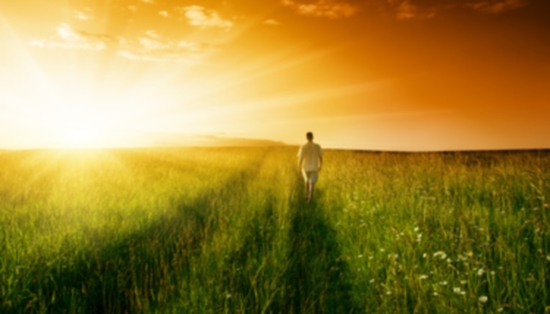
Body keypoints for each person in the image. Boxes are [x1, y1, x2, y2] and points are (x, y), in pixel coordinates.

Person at [297, 132, 323, 202]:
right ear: (313, 137)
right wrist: (320, 165)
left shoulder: (303, 146)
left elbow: (300, 159)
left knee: (306, 182)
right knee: (312, 183)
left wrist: (299, 169)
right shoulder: (317, 146)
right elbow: (320, 157)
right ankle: (310, 198)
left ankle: (307, 195)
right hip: (314, 168)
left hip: (305, 168)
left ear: (306, 138)